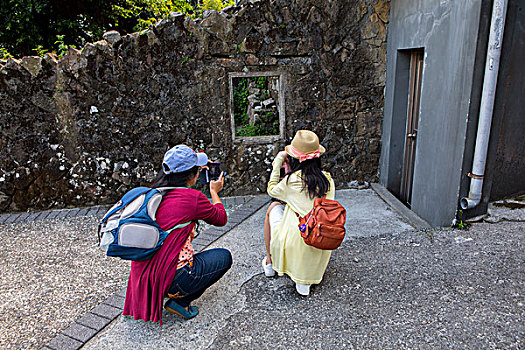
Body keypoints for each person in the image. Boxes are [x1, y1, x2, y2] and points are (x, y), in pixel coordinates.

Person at [123, 145, 231, 324]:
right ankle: (181, 301)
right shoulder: (192, 198)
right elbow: (221, 218)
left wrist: (197, 165)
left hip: (145, 277)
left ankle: (164, 293)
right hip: (172, 276)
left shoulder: (152, 193)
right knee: (224, 257)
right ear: (192, 174)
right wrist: (214, 192)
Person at [262, 130, 335, 296]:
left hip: (298, 239)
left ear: (295, 157)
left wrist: (279, 161)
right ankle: (304, 281)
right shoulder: (327, 180)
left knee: (273, 208)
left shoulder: (292, 181)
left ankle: (270, 262)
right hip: (320, 241)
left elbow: (272, 189)